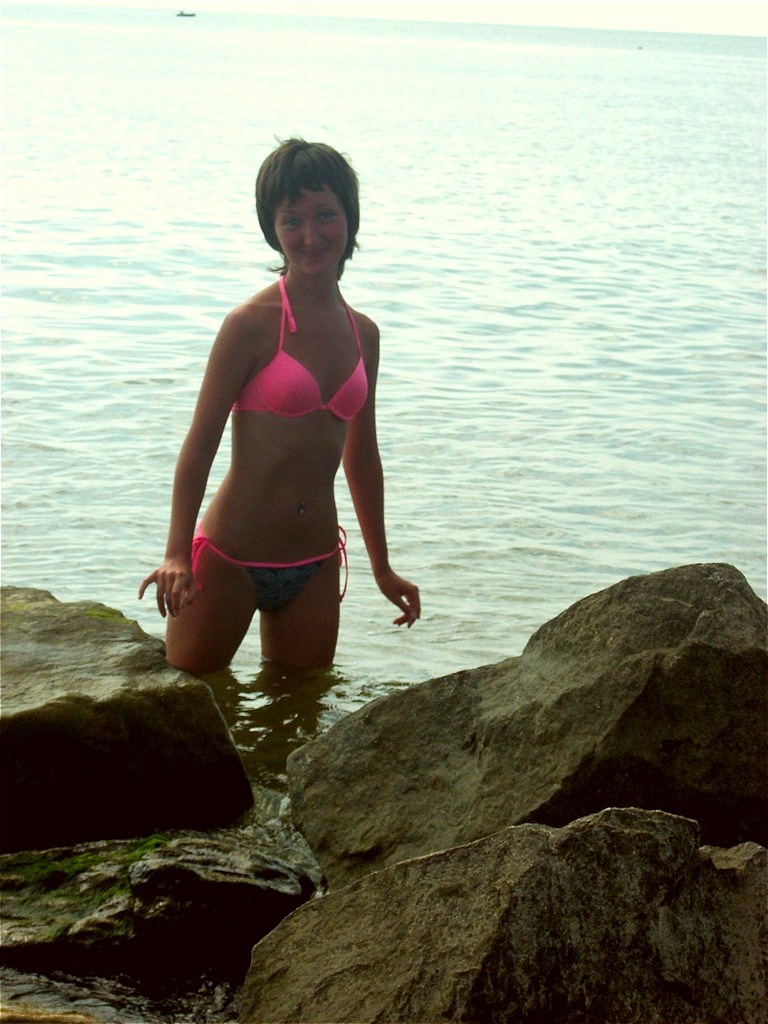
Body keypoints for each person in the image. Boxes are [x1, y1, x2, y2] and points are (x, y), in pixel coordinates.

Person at [139, 139, 420, 674]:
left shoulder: (364, 334)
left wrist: (382, 568)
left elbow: (362, 458)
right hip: (228, 558)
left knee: (301, 709)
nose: (311, 236)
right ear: (273, 230)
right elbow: (200, 443)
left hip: (315, 561)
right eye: (292, 221)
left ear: (349, 218)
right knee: (192, 698)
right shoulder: (249, 324)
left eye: (325, 215)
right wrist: (176, 553)